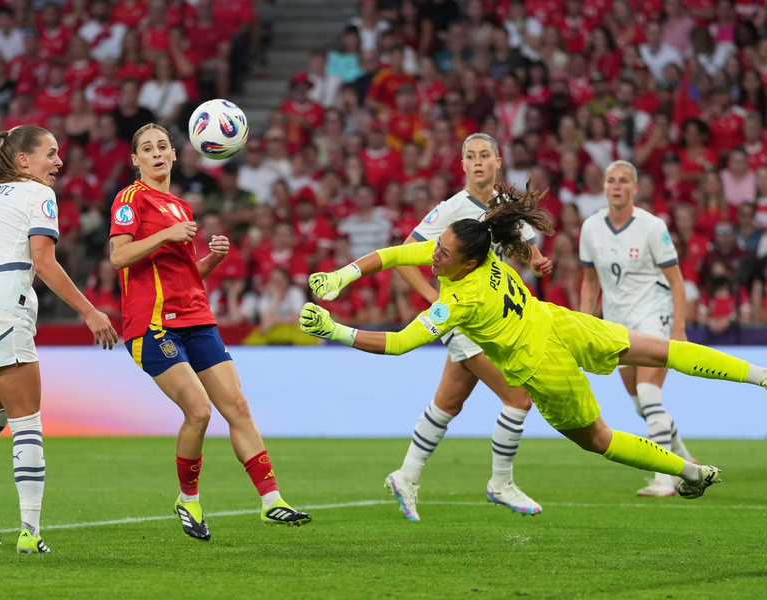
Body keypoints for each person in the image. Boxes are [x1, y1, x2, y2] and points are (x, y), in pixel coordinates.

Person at [300, 183, 767, 503]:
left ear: (464, 262)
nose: (432, 257)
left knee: (598, 438)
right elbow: (395, 252)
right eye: (436, 248)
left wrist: (335, 330)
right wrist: (343, 275)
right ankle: (759, 375)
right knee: (660, 349)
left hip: (542, 364)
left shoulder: (459, 300)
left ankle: (688, 474)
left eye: (442, 254)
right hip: (561, 323)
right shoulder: (474, 249)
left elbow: (401, 343)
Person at [108, 124, 311, 541]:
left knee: (236, 405)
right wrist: (166, 234)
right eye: (147, 148)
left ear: (175, 154)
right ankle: (188, 499)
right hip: (153, 324)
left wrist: (212, 260)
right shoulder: (130, 199)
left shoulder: (181, 206)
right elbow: (118, 256)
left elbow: (185, 275)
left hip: (197, 318)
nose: (157, 153)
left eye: (163, 146)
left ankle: (272, 501)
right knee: (199, 411)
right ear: (136, 160)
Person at [364, 133, 553, 521]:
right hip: (464, 318)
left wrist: (536, 261)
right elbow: (402, 256)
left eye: (485, 155)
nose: (479, 161)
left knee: (448, 403)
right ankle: (500, 483)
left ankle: (406, 475)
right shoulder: (451, 209)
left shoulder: (504, 206)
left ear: (498, 161)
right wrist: (435, 301)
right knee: (518, 399)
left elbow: (523, 244)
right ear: (463, 164)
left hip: (492, 319)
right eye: (471, 156)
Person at [0, 125, 118, 554]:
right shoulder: (38, 195)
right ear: (23, 162)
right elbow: (43, 261)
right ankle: (30, 534)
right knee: (26, 420)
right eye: (50, 154)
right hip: (0, 309)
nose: (58, 162)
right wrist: (89, 311)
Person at [579, 161, 695, 497]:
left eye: (623, 181)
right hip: (618, 322)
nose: (616, 186)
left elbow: (676, 282)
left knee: (648, 393)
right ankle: (687, 463)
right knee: (639, 404)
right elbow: (590, 283)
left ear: (635, 188)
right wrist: (585, 325)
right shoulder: (591, 227)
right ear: (604, 187)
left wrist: (679, 329)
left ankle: (665, 479)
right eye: (611, 181)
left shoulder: (652, 226)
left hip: (653, 313)